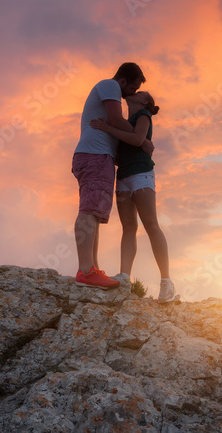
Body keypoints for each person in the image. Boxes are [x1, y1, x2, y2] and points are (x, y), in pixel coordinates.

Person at [90, 90, 178, 303]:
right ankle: (125, 277)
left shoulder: (143, 116)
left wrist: (108, 128)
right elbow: (127, 150)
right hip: (123, 176)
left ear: (144, 101)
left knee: (151, 224)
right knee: (128, 227)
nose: (134, 92)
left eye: (140, 92)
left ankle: (166, 281)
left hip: (141, 174)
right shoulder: (127, 121)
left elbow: (138, 139)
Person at [72, 62, 153, 289]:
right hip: (94, 155)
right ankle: (86, 271)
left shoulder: (113, 89)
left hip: (100, 157)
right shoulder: (110, 86)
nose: (132, 94)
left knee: (95, 213)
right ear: (123, 81)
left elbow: (114, 128)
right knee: (89, 211)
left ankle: (92, 269)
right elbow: (116, 120)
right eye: (132, 88)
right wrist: (141, 138)